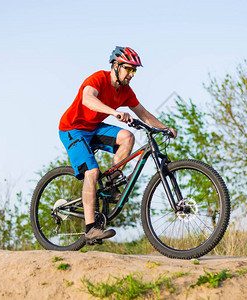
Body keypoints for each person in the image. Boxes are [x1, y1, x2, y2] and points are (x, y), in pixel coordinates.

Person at [58, 46, 177, 243]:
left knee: (127, 137)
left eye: (134, 70)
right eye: (128, 69)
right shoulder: (98, 78)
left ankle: (111, 183)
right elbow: (87, 99)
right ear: (115, 65)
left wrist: (165, 128)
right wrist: (114, 113)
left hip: (94, 128)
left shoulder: (125, 91)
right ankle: (90, 229)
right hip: (73, 129)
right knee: (92, 172)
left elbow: (144, 114)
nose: (131, 74)